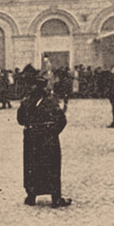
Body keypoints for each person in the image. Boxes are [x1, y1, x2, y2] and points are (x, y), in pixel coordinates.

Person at [17, 76, 71, 208]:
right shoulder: (51, 101)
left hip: (31, 138)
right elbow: (62, 120)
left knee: (31, 166)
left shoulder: (26, 101)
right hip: (48, 139)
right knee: (51, 167)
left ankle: (31, 196)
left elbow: (20, 120)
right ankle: (56, 198)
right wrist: (53, 132)